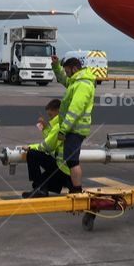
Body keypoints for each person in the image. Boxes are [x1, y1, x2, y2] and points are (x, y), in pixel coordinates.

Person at [52, 54, 95, 193]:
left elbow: (75, 110)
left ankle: (76, 189)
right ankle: (75, 188)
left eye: (67, 70)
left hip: (75, 130)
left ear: (74, 69)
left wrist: (63, 129)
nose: (66, 74)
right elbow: (62, 79)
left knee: (72, 161)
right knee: (70, 160)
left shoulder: (82, 85)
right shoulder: (76, 81)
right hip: (73, 129)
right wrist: (56, 66)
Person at [22, 99, 71, 198]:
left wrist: (30, 147)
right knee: (37, 184)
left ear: (57, 111)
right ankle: (40, 189)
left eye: (50, 115)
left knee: (32, 154)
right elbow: (52, 140)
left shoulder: (58, 126)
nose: (50, 118)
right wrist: (45, 128)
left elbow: (48, 146)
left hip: (61, 169)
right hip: (65, 168)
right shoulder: (63, 123)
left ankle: (40, 190)